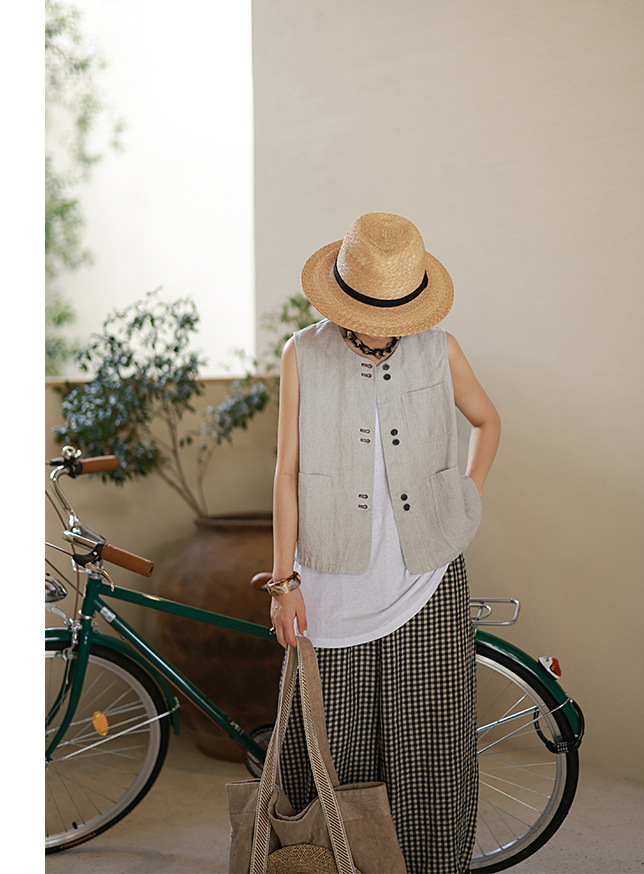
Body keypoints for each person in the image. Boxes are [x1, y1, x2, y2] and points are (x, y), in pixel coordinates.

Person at [267, 212, 501, 874]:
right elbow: (285, 472)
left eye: (394, 312)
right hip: (330, 578)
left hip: (427, 572)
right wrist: (283, 582)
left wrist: (465, 497)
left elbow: (487, 421)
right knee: (331, 743)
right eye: (368, 311)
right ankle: (333, 862)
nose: (381, 326)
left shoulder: (439, 349)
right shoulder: (302, 354)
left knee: (428, 744)